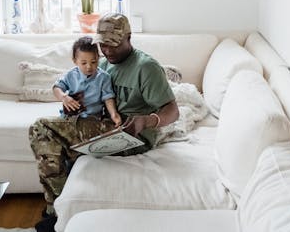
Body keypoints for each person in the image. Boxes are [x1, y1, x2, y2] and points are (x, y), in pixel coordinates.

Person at [29, 13, 180, 232]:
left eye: (113, 44)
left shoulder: (146, 67)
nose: (107, 50)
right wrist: (74, 101)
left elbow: (173, 111)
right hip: (101, 126)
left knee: (41, 127)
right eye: (103, 45)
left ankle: (57, 212)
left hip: (130, 135)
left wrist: (146, 121)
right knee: (49, 139)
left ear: (129, 37)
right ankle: (60, 210)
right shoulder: (103, 63)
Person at [53, 36, 122, 126]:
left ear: (98, 58)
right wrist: (63, 97)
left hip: (92, 120)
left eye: (93, 62)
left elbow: (108, 97)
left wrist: (114, 114)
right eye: (84, 63)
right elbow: (57, 87)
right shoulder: (70, 75)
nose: (89, 67)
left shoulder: (104, 77)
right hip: (69, 119)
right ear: (75, 61)